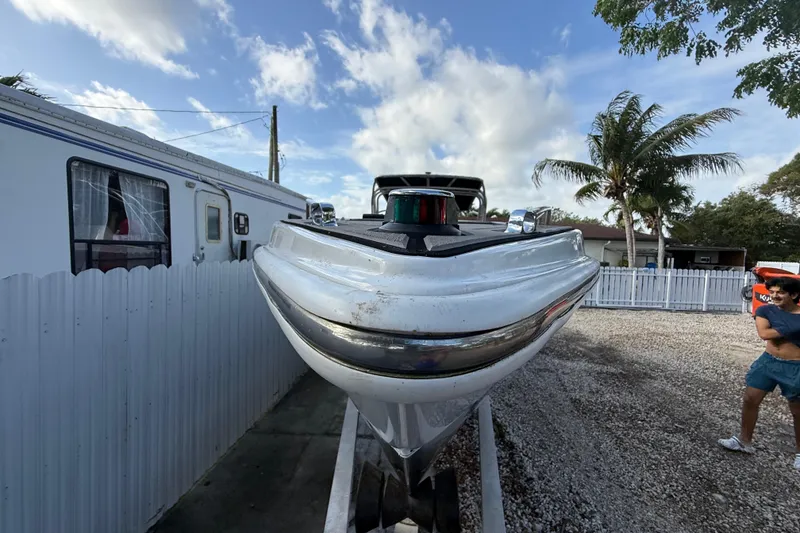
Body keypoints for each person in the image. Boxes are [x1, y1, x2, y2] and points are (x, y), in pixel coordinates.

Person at [718, 276, 800, 471]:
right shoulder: (765, 310)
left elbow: (773, 332)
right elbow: (764, 334)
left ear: (794, 295)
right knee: (750, 399)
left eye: (780, 292)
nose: (774, 296)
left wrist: (781, 328)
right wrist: (794, 327)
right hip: (768, 362)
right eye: (772, 292)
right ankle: (744, 441)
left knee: (797, 412)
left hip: (795, 365)